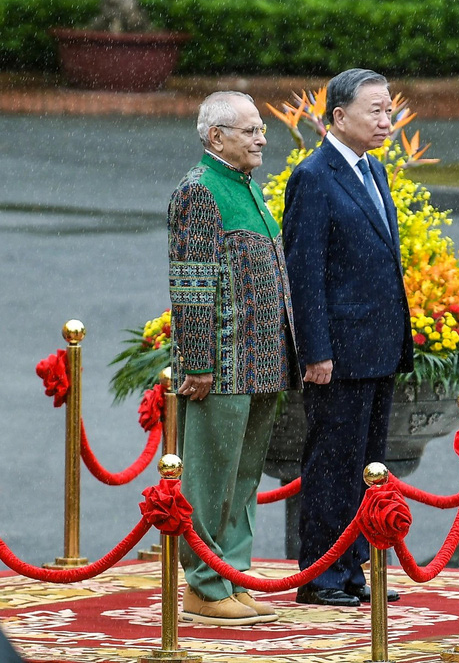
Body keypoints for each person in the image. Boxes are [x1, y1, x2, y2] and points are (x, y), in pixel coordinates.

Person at [283, 69, 414, 606]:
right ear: (339, 117)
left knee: (368, 466)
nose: (387, 121)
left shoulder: (374, 169)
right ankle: (322, 576)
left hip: (377, 348)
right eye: (376, 111)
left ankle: (357, 571)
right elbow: (304, 270)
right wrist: (315, 351)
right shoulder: (313, 176)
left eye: (389, 111)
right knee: (332, 466)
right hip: (338, 354)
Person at [169, 91, 299, 626]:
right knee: (210, 481)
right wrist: (196, 362)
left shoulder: (247, 188)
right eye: (250, 131)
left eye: (261, 129)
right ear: (215, 137)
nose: (261, 138)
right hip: (220, 367)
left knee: (243, 482)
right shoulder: (199, 193)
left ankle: (232, 576)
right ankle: (203, 585)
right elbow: (192, 286)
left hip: (261, 363)